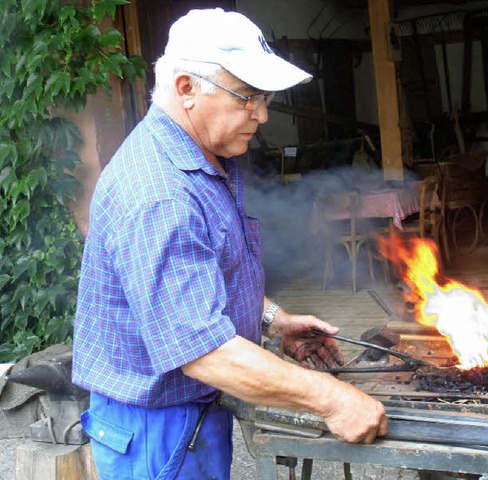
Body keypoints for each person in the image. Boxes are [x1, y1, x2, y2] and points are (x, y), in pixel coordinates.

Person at [71, 8, 387, 480]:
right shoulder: (159, 193)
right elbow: (204, 352)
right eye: (247, 97)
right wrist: (332, 398)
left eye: (263, 97)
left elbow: (204, 274)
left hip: (189, 413)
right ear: (186, 89)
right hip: (154, 430)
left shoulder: (205, 156)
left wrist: (272, 319)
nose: (261, 114)